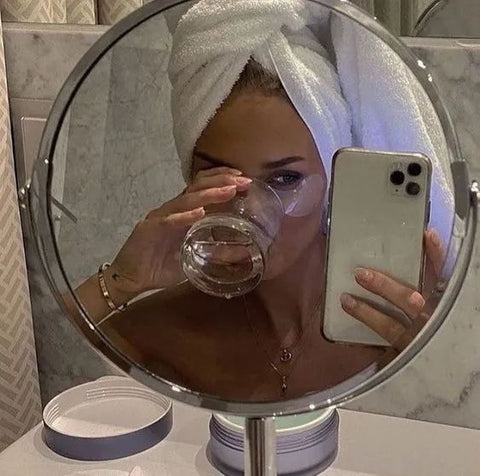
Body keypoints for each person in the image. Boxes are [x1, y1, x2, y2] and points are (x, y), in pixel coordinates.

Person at [66, 0, 446, 400]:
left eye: (285, 178)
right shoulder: (165, 326)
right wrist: (120, 283)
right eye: (221, 177)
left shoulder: (392, 316)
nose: (246, 209)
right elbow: (41, 380)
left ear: (333, 178)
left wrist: (430, 355)